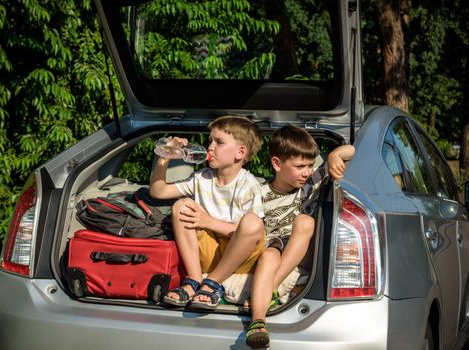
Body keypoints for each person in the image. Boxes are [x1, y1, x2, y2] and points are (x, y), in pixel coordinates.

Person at [245, 125, 355, 349]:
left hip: (302, 251)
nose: (306, 172)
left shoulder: (310, 185)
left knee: (305, 221)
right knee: (267, 257)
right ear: (277, 164)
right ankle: (258, 321)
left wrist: (334, 155)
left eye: (309, 166)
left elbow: (352, 150)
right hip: (272, 248)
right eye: (299, 166)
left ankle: (271, 288)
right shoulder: (258, 190)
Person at [149, 115, 266, 310]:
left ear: (240, 152)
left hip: (240, 257)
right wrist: (165, 156)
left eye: (219, 142)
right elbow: (158, 191)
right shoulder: (200, 178)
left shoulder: (249, 185)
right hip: (210, 253)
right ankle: (194, 280)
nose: (210, 147)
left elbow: (252, 232)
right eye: (210, 140)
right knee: (182, 206)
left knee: (253, 223)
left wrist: (208, 221)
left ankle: (213, 283)